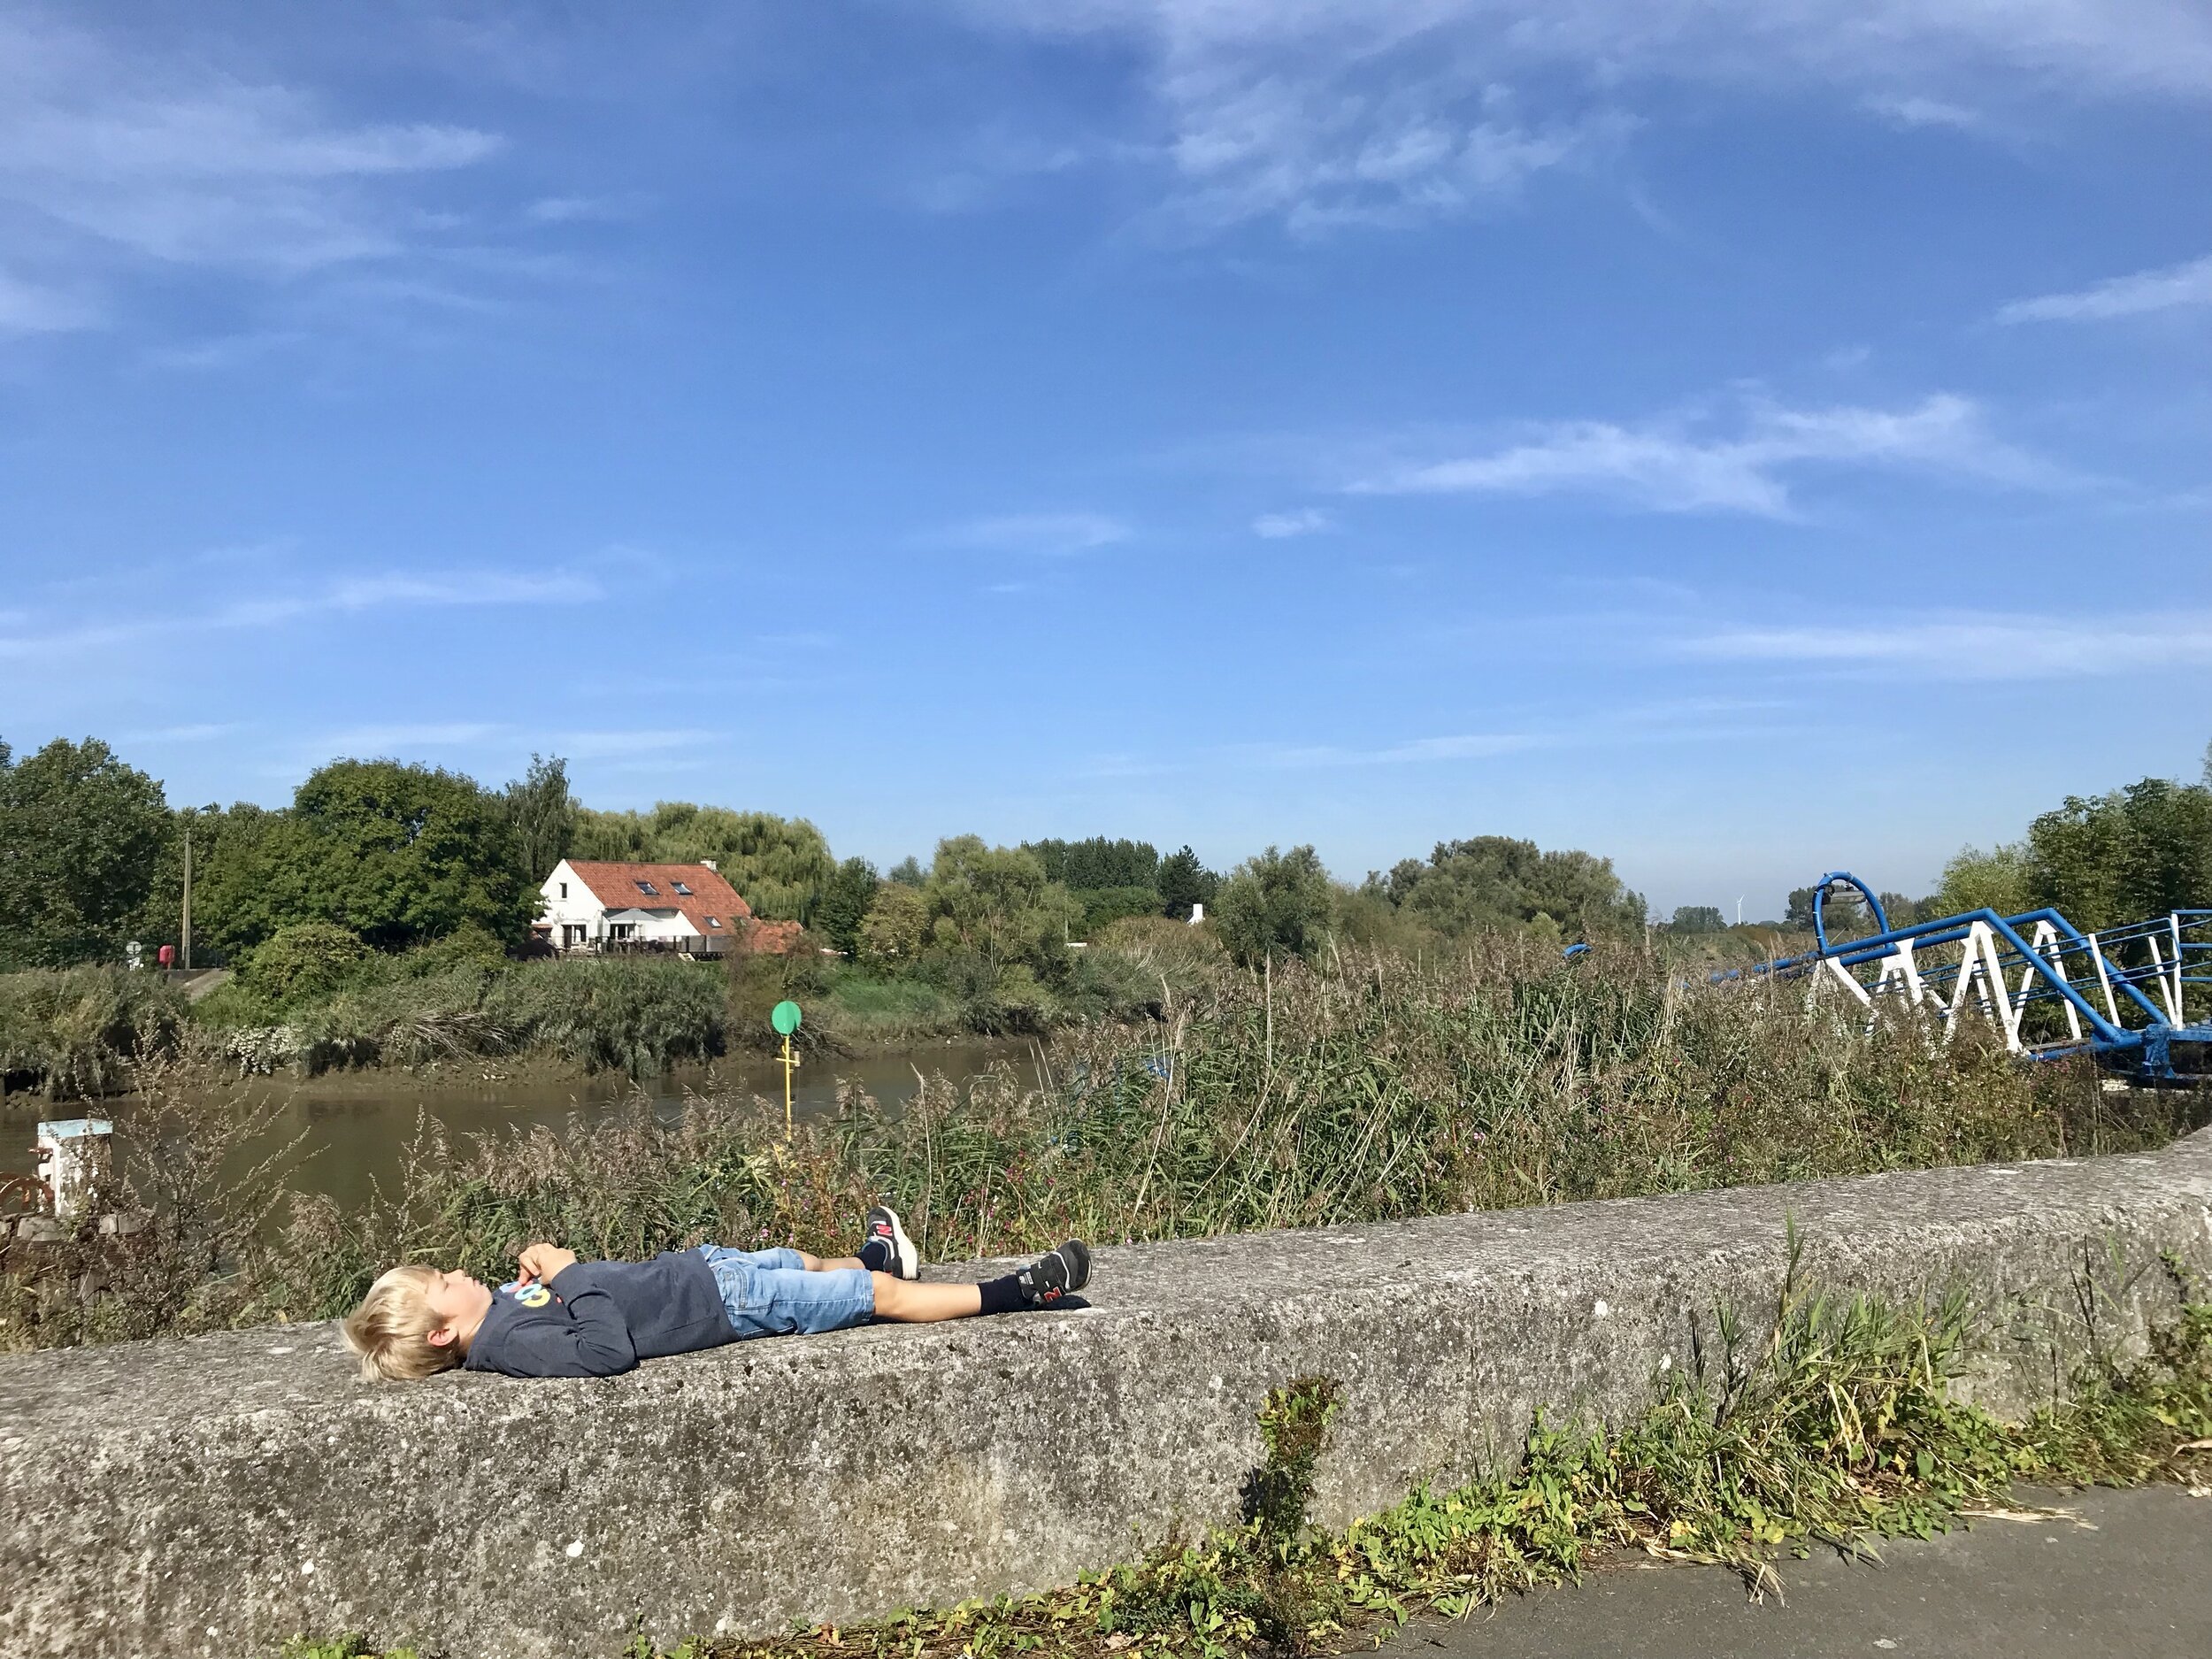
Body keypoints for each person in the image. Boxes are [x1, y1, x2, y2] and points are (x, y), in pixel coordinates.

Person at [342, 1206, 1090, 1381]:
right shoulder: (506, 1345)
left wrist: (538, 1278)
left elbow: (573, 1303)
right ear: (444, 1332)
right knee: (880, 1296)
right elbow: (605, 1349)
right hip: (725, 1308)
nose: (457, 1275)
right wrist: (566, 1271)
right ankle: (1019, 1291)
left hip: (701, 1272)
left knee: (803, 1256)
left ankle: (876, 1248)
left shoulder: (502, 1314)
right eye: (446, 1284)